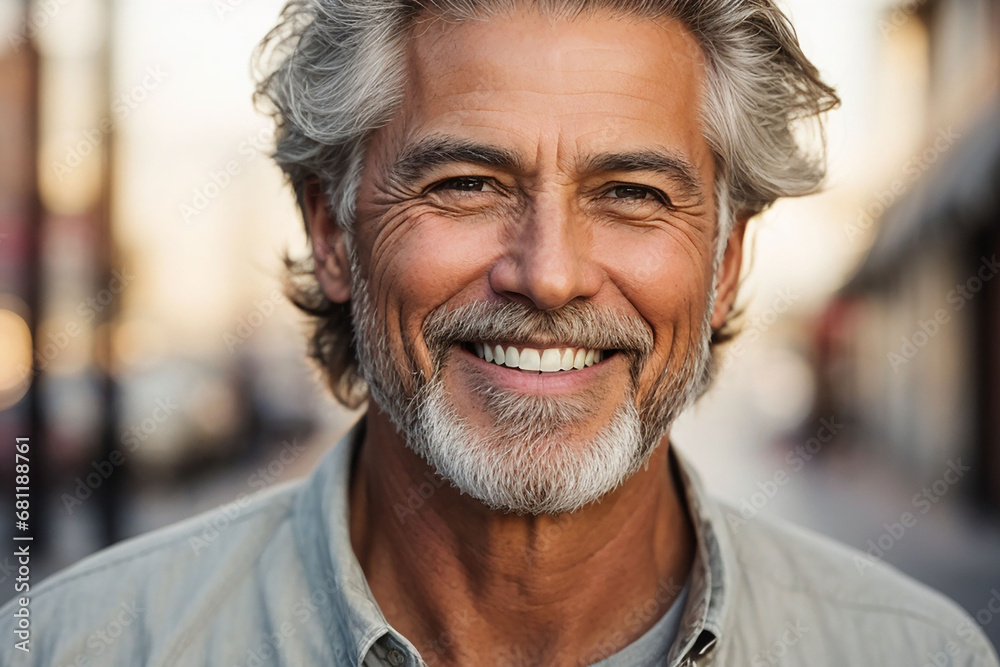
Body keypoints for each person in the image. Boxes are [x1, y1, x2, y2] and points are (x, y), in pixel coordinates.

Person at [3, 1, 998, 665]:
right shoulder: (76, 647)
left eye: (632, 194)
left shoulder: (913, 651)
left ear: (727, 260)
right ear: (330, 230)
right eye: (466, 184)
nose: (550, 272)